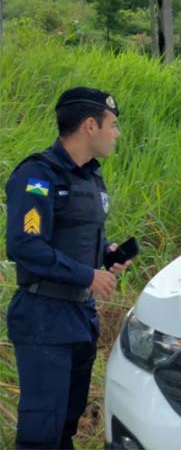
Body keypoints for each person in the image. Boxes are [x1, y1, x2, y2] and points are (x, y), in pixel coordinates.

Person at [5, 87, 131, 449]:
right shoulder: (39, 176)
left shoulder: (90, 177)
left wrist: (106, 256)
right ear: (90, 126)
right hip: (45, 316)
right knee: (42, 429)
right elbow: (25, 246)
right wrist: (88, 276)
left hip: (80, 316)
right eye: (113, 124)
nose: (116, 133)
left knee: (65, 423)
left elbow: (75, 241)